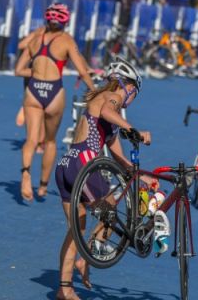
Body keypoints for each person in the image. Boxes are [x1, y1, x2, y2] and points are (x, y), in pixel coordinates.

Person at [54, 58, 150, 300]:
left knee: (78, 229)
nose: (133, 98)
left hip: (66, 165)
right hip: (84, 164)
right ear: (128, 87)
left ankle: (64, 288)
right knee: (111, 211)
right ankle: (89, 257)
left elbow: (120, 160)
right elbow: (109, 110)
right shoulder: (112, 98)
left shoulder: (108, 118)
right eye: (135, 93)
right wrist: (134, 130)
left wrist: (142, 178)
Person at [14, 3, 96, 202]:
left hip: (33, 91)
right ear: (65, 21)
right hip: (54, 92)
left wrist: (36, 72)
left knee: (31, 140)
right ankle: (42, 186)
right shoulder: (66, 40)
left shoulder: (35, 39)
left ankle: (26, 174)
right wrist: (95, 91)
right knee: (50, 141)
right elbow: (82, 71)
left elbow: (18, 70)